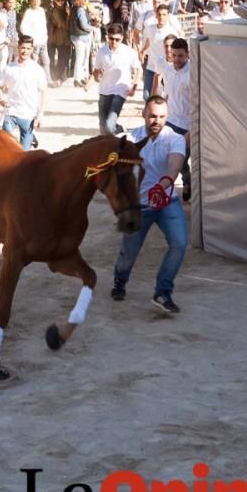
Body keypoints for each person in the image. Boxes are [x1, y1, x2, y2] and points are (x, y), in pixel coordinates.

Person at [110, 95, 188, 314]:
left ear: (167, 117)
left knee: (180, 243)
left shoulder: (176, 139)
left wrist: (162, 186)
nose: (157, 120)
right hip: (139, 208)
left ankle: (163, 291)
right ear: (143, 114)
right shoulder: (129, 138)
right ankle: (120, 280)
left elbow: (174, 166)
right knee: (129, 253)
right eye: (153, 115)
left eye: (162, 116)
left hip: (167, 202)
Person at [157, 38, 193, 201]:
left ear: (187, 55)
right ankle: (163, 191)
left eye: (180, 56)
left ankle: (187, 183)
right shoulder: (166, 67)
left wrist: (192, 130)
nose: (177, 59)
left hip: (187, 125)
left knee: (182, 160)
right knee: (166, 158)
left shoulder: (193, 73)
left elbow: (199, 103)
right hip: (170, 122)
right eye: (174, 55)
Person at [0, 35, 46, 149]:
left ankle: (31, 136)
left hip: (29, 114)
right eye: (23, 48)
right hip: (11, 111)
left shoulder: (37, 70)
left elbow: (43, 93)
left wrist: (40, 114)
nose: (25, 51)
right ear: (18, 48)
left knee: (24, 153)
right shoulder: (9, 68)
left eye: (28, 49)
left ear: (32, 49)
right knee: (7, 146)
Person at [92, 23, 141, 135]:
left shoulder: (129, 52)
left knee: (109, 126)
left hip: (121, 90)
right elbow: (96, 71)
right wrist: (96, 76)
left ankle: (121, 131)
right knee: (103, 129)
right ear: (107, 37)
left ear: (122, 38)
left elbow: (138, 70)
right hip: (104, 90)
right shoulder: (101, 51)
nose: (114, 42)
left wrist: (134, 86)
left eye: (117, 39)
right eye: (111, 39)